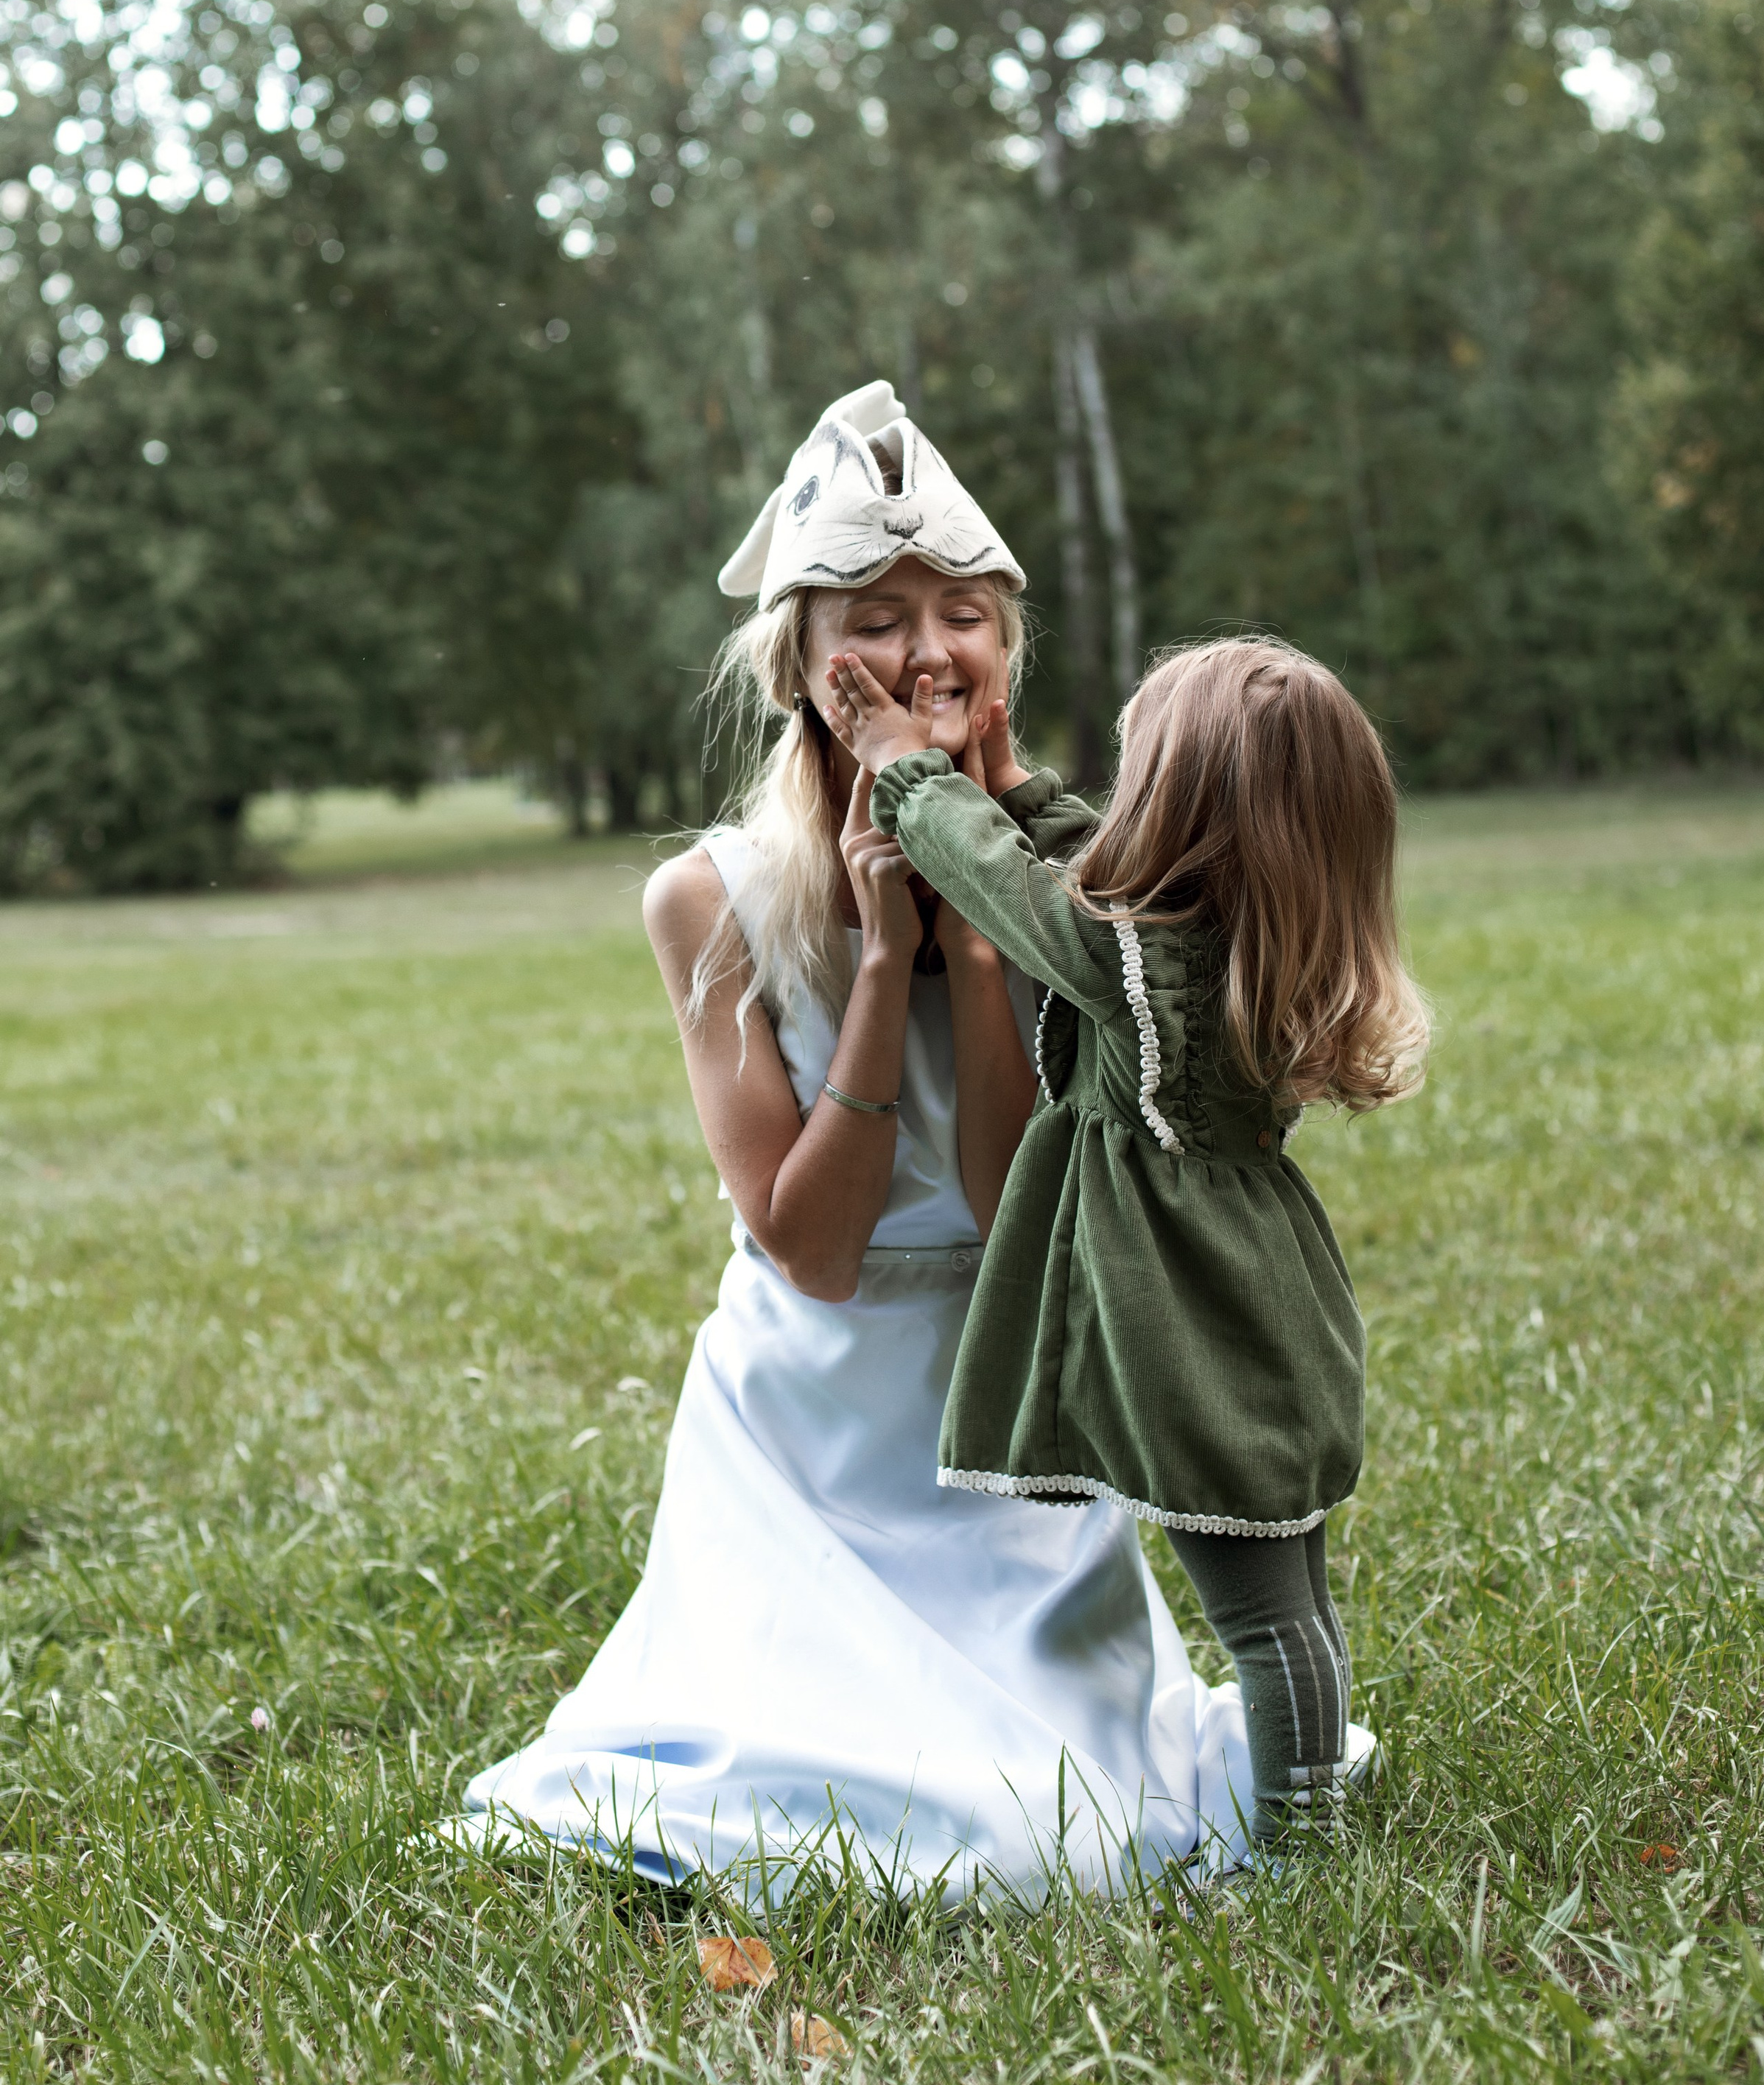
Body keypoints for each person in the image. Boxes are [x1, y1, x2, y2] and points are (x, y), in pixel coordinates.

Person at [457, 383, 1264, 1901]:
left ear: (1006, 656)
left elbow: (1000, 1193)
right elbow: (814, 1253)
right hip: (809, 1443)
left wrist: (974, 925)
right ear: (803, 666)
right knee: (925, 1835)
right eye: (878, 617)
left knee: (1068, 1845)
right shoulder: (708, 900)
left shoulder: (1068, 876)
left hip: (1007, 1412)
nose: (923, 653)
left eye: (961, 613)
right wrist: (881, 963)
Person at [822, 632, 1430, 1842]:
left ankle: (1302, 1848)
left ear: (1190, 808)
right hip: (1253, 1282)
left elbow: (1020, 898)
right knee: (1285, 1593)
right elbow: (1078, 871)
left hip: (1193, 1309)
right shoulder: (1226, 936)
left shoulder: (1138, 958)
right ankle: (1307, 1813)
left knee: (1262, 1615)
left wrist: (904, 766)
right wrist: (1006, 779)